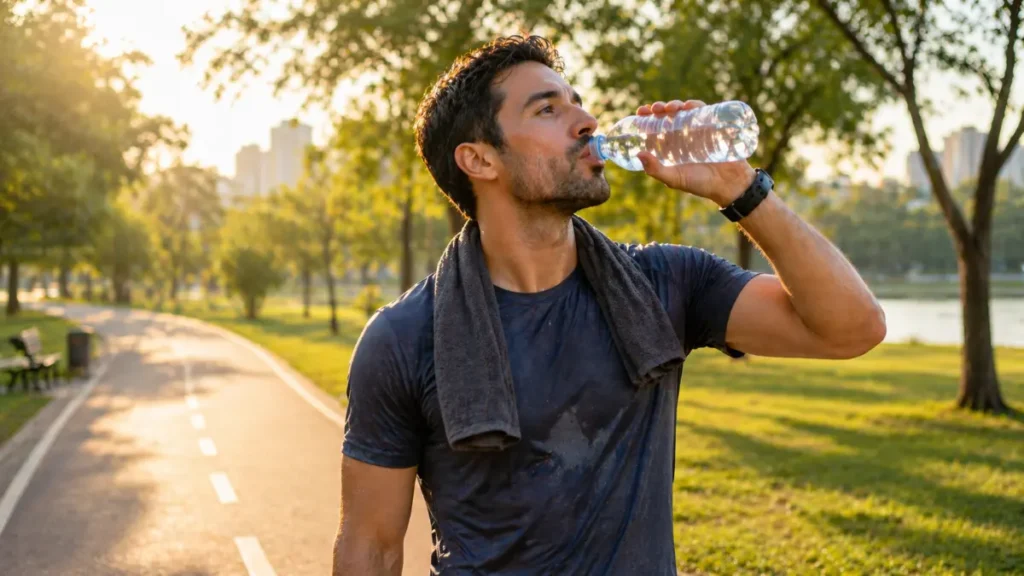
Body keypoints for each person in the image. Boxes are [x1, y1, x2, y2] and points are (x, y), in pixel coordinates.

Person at [333, 35, 886, 576]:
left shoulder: (666, 282)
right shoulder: (405, 337)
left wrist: (739, 188)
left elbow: (853, 329)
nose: (588, 121)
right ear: (480, 159)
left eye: (578, 101)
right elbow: (372, 550)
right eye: (548, 109)